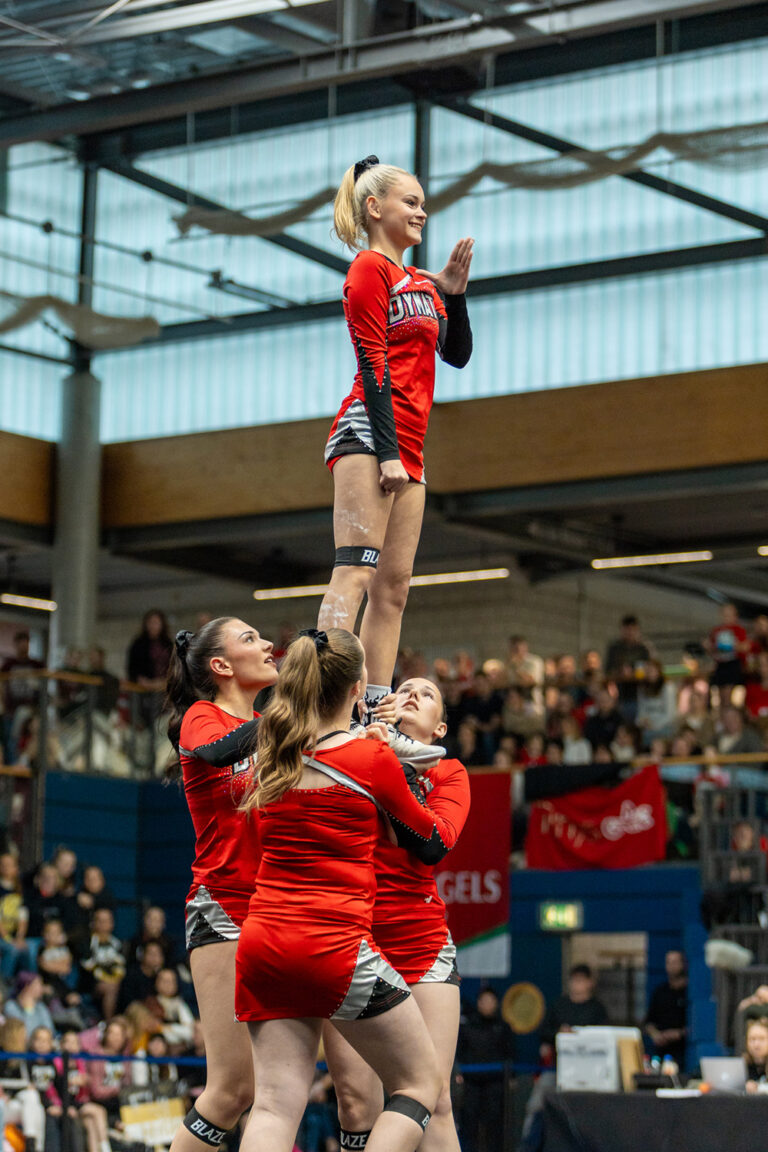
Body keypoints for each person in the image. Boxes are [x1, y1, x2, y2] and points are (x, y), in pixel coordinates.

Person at [235, 628, 457, 1152]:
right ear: (360, 689)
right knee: (421, 1086)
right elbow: (427, 843)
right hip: (332, 945)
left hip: (263, 943)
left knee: (272, 1104)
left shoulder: (272, 756)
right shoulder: (371, 758)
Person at [317, 156, 473, 717]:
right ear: (374, 208)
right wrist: (385, 453)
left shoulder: (421, 284)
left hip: (412, 442)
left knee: (395, 585)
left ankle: (376, 706)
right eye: (411, 202)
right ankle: (330, 692)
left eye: (424, 204)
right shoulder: (369, 269)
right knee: (356, 566)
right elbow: (371, 359)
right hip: (368, 431)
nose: (421, 213)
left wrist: (453, 293)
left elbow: (454, 355)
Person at [323, 676, 471, 1152]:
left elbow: (432, 844)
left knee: (436, 1098)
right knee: (355, 1103)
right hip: (352, 937)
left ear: (441, 727)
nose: (412, 694)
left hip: (419, 942)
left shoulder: (448, 772)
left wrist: (396, 765)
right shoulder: (353, 750)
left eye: (426, 694)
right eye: (404, 688)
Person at [164, 617, 278, 1152]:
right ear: (221, 665)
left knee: (275, 1089)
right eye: (251, 639)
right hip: (223, 909)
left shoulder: (273, 727)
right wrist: (292, 711)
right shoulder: (201, 718)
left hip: (282, 913)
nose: (269, 645)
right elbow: (220, 752)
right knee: (232, 1090)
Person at [457, 988, 514, 1152]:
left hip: (495, 1083)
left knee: (495, 1125)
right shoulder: (467, 1026)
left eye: (491, 1001)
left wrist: (511, 1078)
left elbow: (510, 1053)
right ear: (478, 1003)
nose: (488, 1005)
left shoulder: (503, 1027)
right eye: (484, 1001)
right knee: (469, 1125)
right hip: (470, 1082)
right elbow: (460, 1051)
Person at [644, 950, 688, 1068]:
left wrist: (677, 1034)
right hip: (661, 1052)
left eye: (675, 962)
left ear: (683, 964)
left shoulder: (689, 993)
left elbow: (698, 1026)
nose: (671, 966)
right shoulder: (660, 992)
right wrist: (656, 1035)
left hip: (683, 1052)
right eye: (668, 962)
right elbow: (649, 1022)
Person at [744, 1017, 768, 1092]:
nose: (756, 1044)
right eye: (752, 1039)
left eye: (762, 1039)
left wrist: (759, 1088)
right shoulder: (743, 1065)